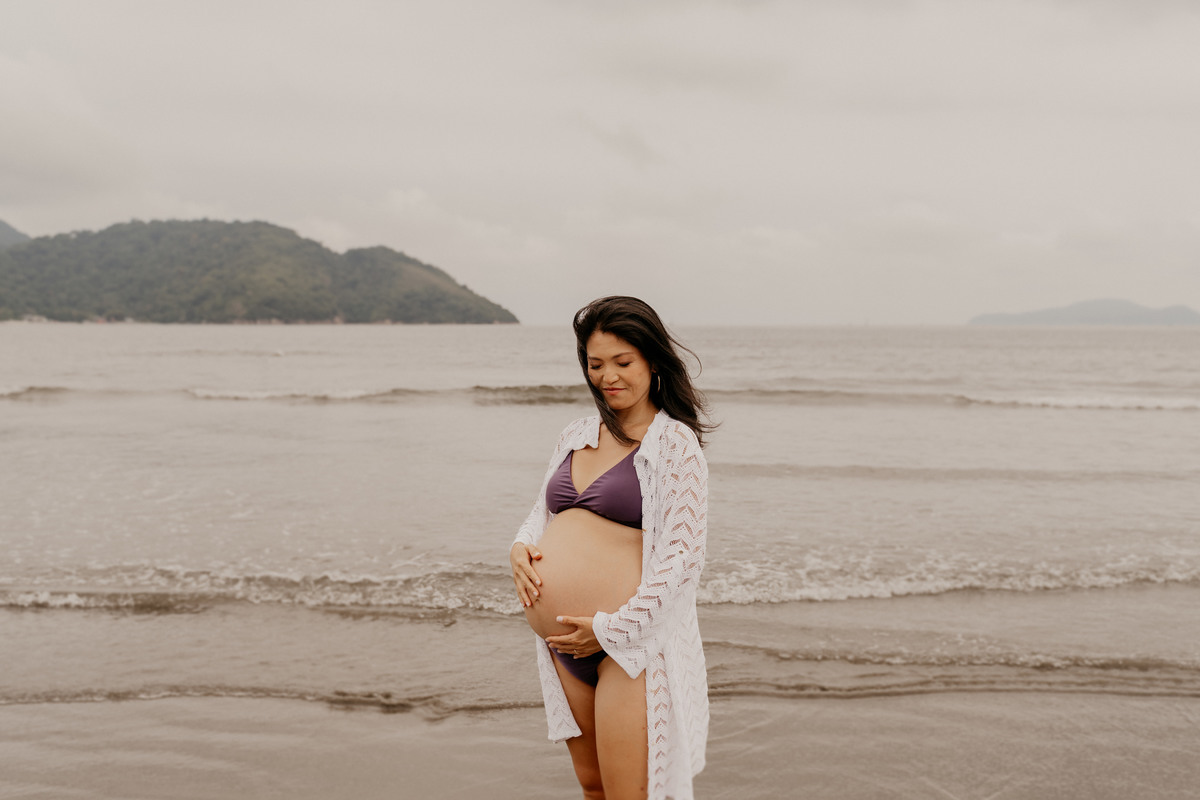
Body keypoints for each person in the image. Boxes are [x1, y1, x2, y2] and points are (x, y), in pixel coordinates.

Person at [510, 296, 714, 800]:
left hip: (626, 648)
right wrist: (519, 547)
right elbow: (542, 512)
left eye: (622, 362)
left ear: (652, 361)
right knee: (594, 785)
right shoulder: (575, 434)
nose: (608, 376)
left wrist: (610, 631)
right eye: (595, 364)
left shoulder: (674, 444)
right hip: (564, 647)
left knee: (630, 793)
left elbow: (682, 560)